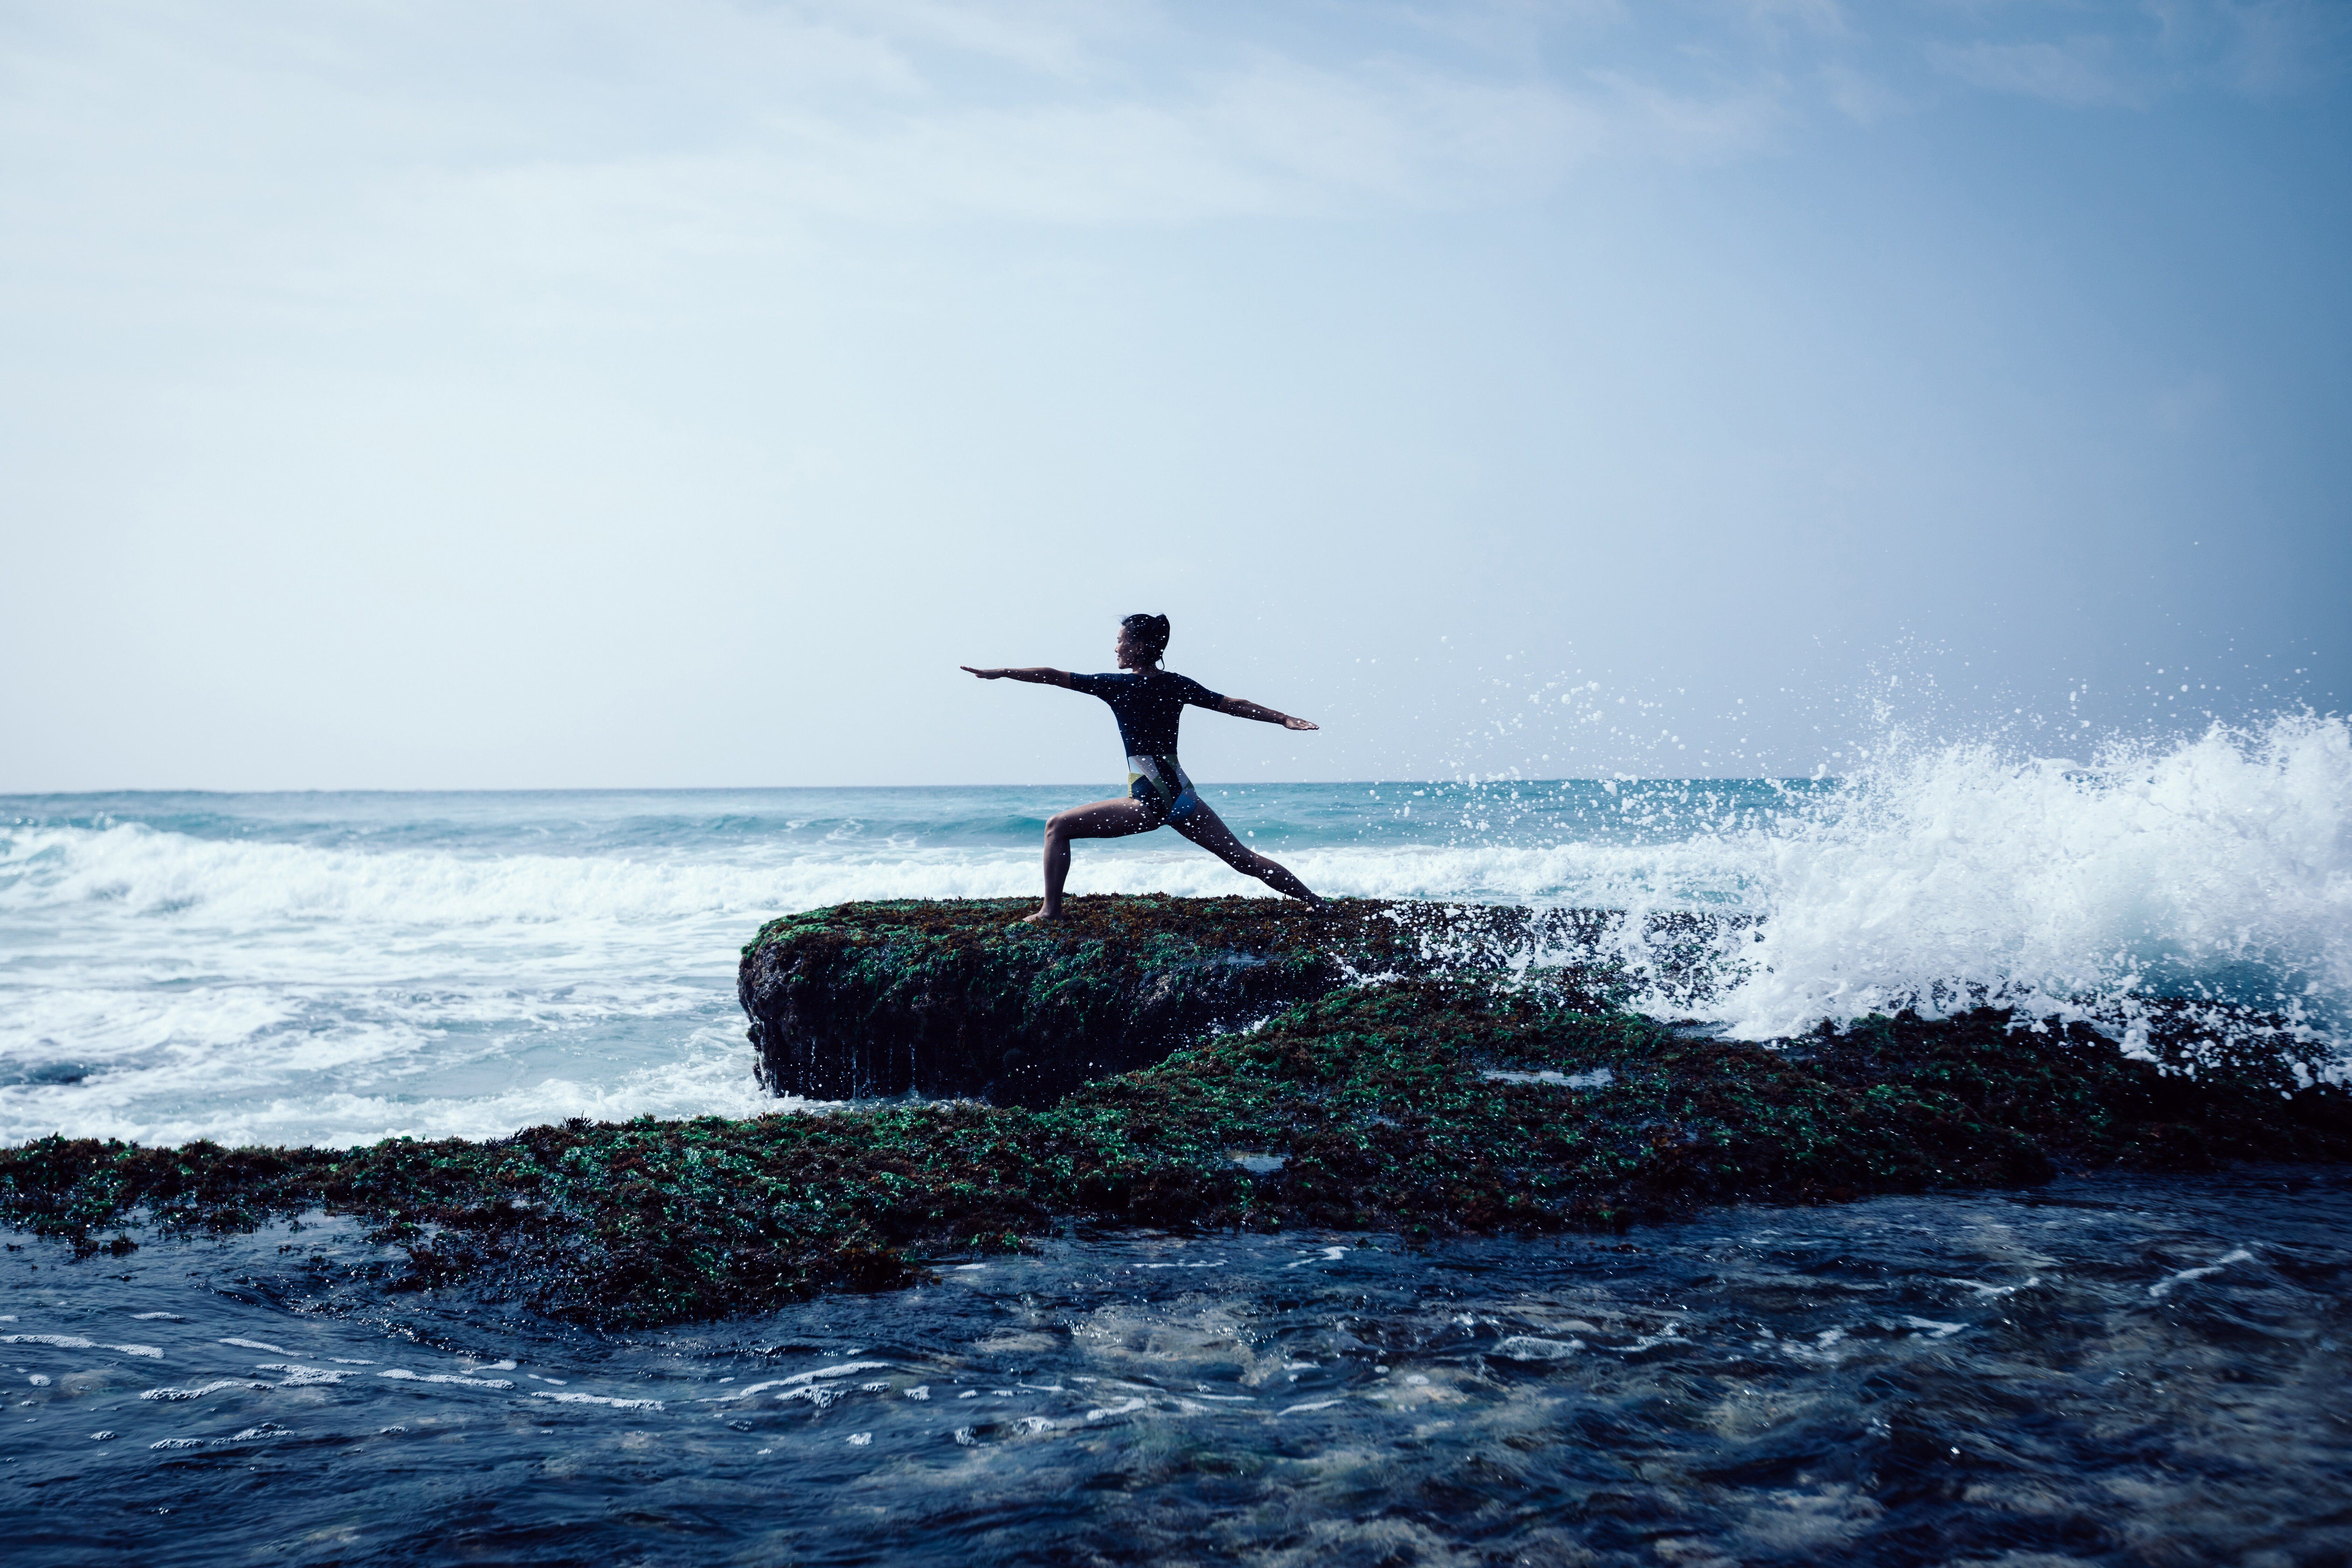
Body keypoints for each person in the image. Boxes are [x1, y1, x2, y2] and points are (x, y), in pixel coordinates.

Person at [962, 613, 1323, 923]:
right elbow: (1233, 704)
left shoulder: (1114, 685)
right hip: (1184, 796)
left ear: (1138, 646)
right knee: (1243, 858)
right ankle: (1317, 903)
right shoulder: (1177, 684)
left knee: (1057, 827)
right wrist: (1284, 719)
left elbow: (1052, 675)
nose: (1115, 648)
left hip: (1150, 801)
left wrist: (1003, 672)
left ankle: (1050, 912)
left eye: (1120, 641)